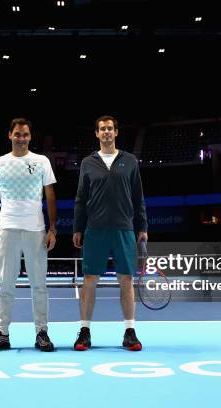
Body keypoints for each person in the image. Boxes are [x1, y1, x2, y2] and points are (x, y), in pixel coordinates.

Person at [72, 115, 148, 351]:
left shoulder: (130, 161)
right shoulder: (87, 163)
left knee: (126, 280)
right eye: (102, 129)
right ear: (96, 134)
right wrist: (77, 227)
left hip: (124, 228)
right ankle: (84, 331)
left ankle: (129, 331)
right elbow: (81, 198)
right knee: (89, 280)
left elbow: (138, 197)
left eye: (110, 129)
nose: (106, 132)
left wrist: (142, 227)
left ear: (116, 133)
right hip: (95, 229)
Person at [0, 118, 58, 352]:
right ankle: (2, 333)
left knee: (39, 285)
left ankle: (41, 333)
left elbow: (50, 194)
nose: (21, 138)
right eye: (17, 134)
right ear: (10, 135)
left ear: (30, 136)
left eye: (25, 134)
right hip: (7, 229)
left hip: (36, 230)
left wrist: (52, 228)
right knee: (6, 284)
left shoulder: (41, 161)